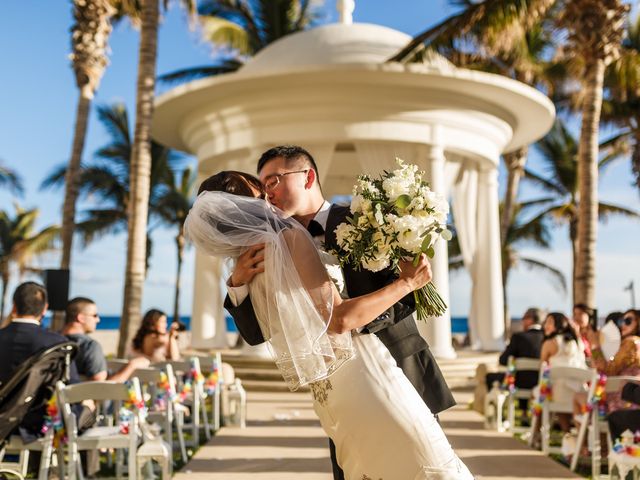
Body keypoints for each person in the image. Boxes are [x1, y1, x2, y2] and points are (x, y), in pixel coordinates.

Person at [185, 171, 473, 479]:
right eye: (262, 191)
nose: (270, 196)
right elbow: (339, 321)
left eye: (273, 183)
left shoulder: (254, 262)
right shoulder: (285, 240)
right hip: (364, 371)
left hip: (335, 391)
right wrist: (408, 282)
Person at [0, 282, 79, 438]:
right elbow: (72, 388)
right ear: (45, 309)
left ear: (14, 306)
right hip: (40, 425)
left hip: (1, 421)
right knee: (86, 410)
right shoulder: (57, 344)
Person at [61, 297, 150, 381]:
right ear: (81, 318)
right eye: (95, 315)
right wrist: (131, 366)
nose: (98, 320)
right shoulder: (89, 346)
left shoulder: (52, 341)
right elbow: (101, 389)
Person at [539, 312, 587, 434]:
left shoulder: (550, 343)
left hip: (559, 395)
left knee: (538, 395)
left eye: (549, 322)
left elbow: (542, 369)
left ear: (559, 324)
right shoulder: (578, 343)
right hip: (581, 391)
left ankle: (541, 435)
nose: (546, 325)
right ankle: (575, 438)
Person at [586, 309, 640, 412]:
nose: (623, 324)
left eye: (628, 321)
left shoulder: (631, 342)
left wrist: (594, 345)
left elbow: (607, 370)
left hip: (623, 399)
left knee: (581, 399)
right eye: (621, 321)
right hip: (630, 398)